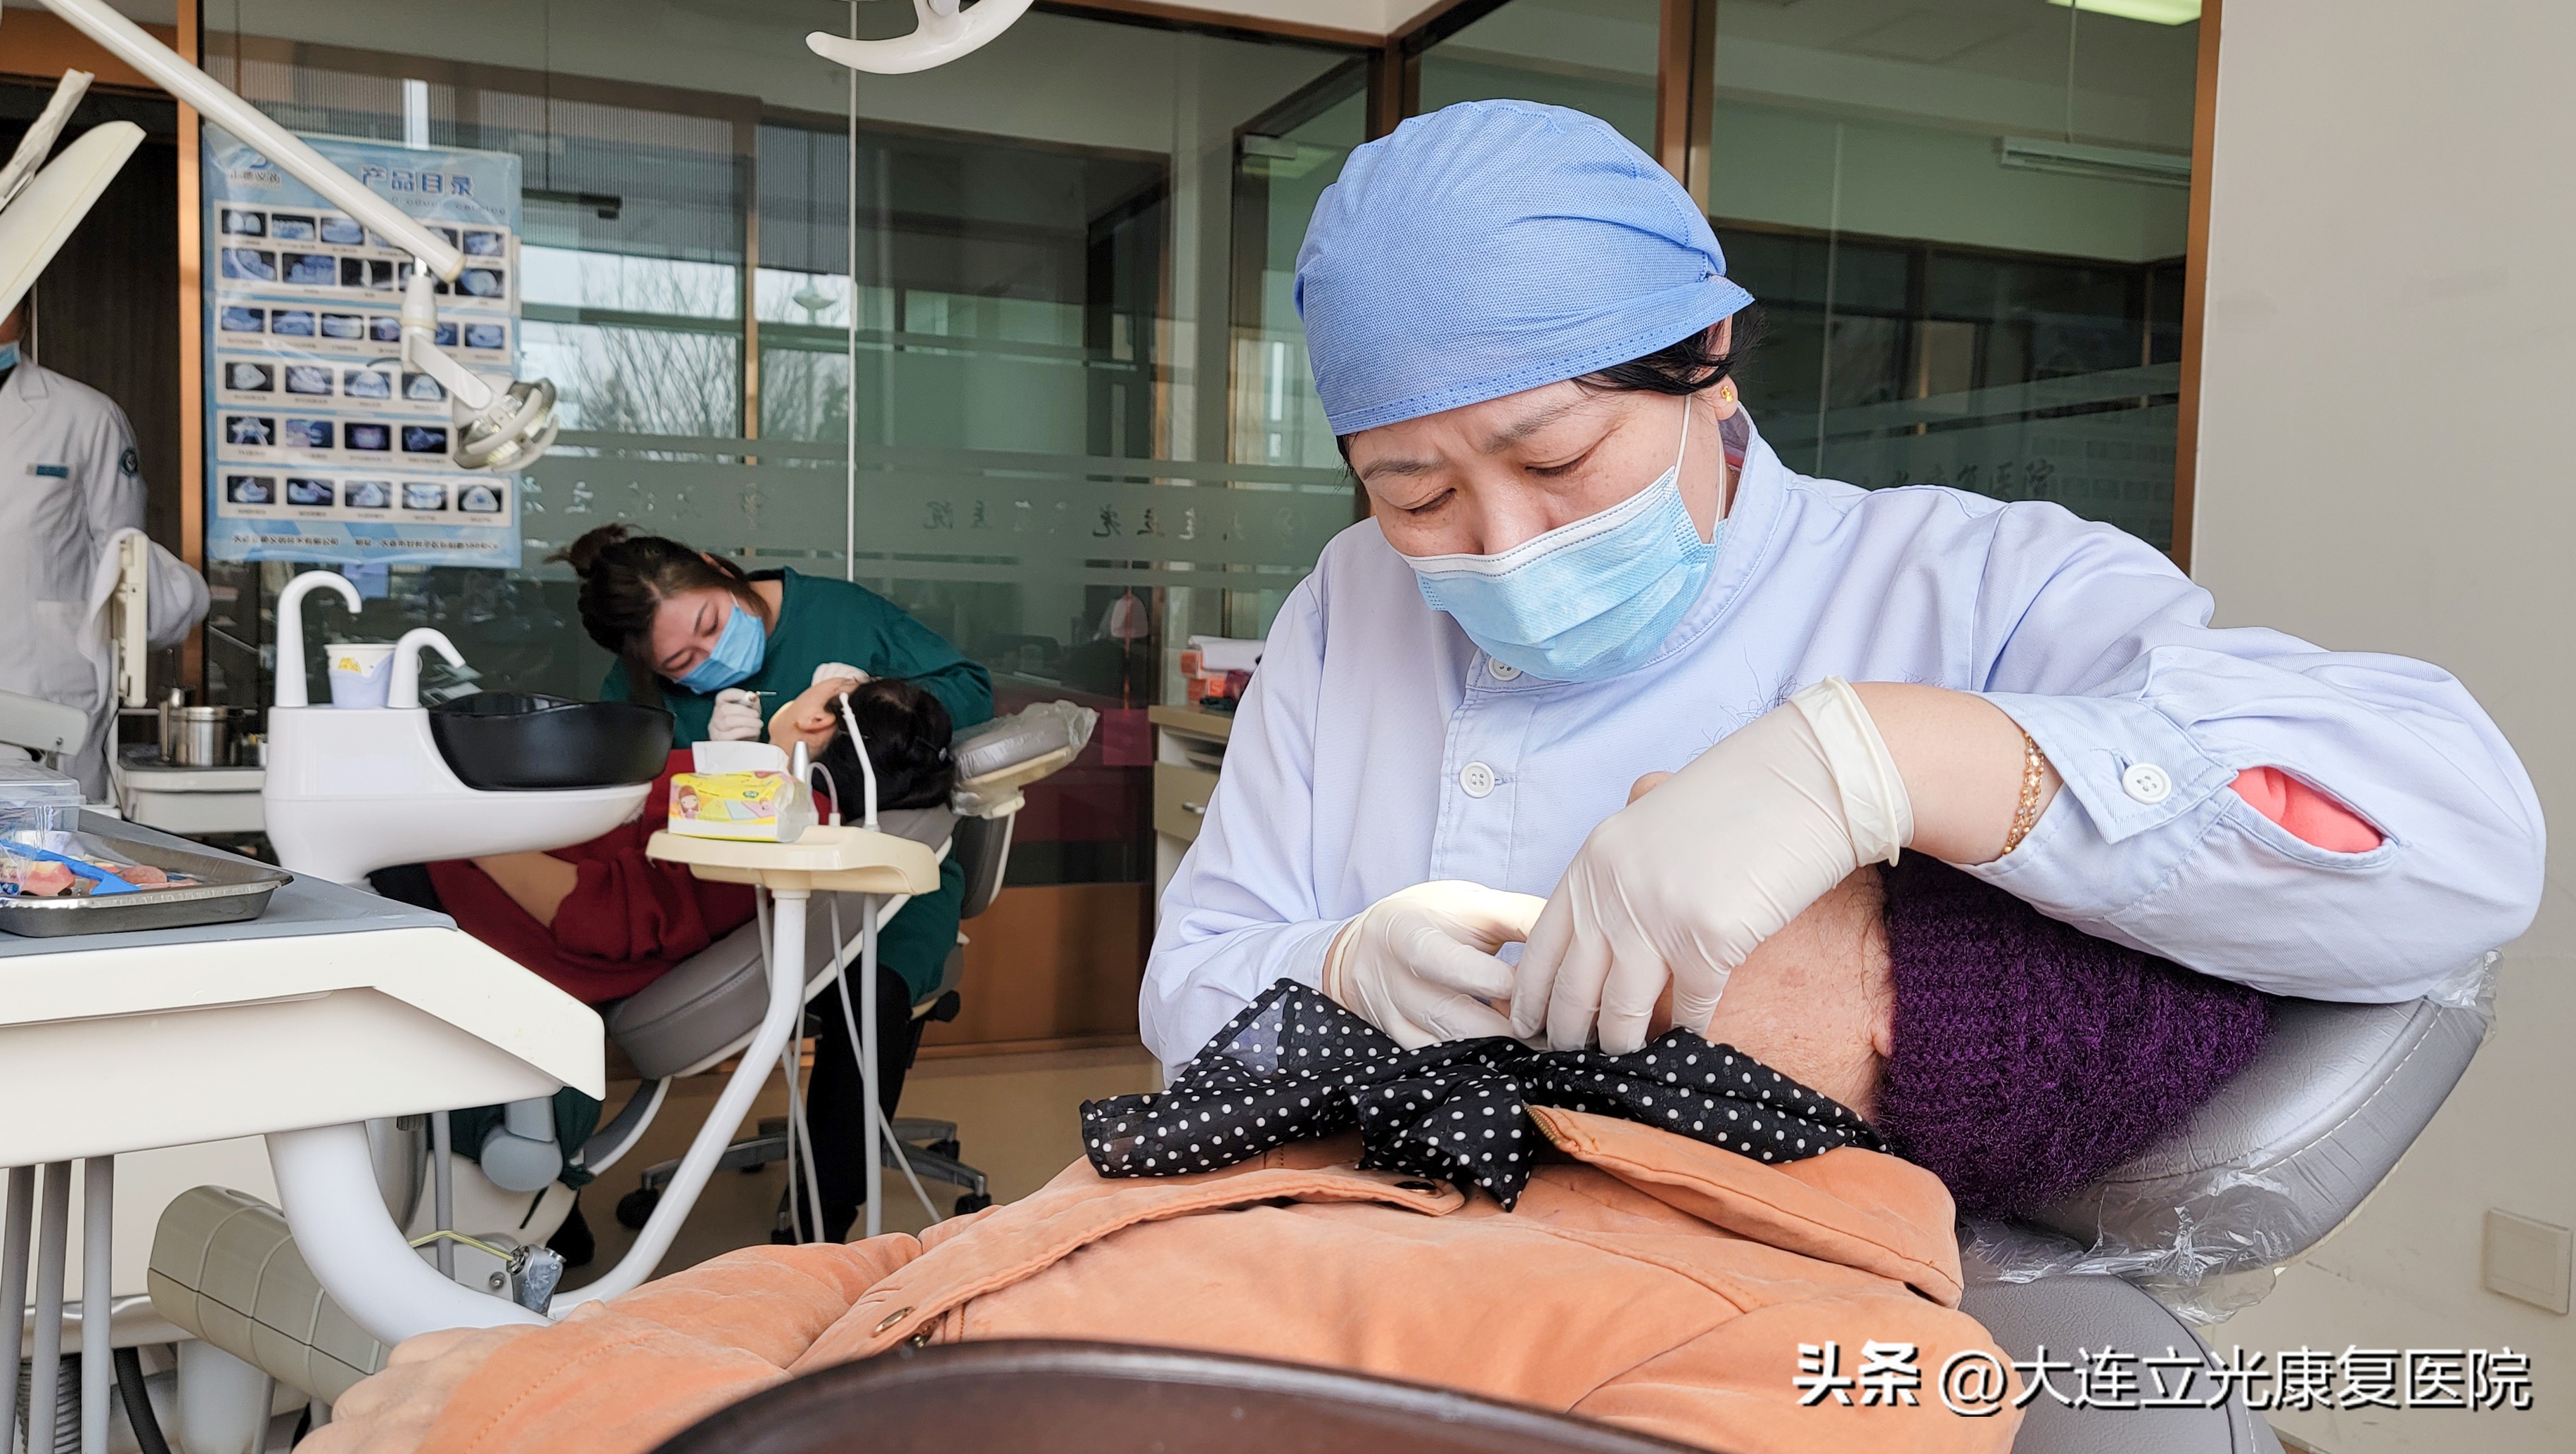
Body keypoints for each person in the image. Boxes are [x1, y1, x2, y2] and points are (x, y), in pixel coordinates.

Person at [1146, 100, 2544, 1071]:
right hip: (1380, 1269)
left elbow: (2455, 849)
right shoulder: (1351, 602)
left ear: (1707, 361)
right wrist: (1339, 970)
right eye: (1416, 494)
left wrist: (1885, 759)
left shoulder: (1966, 584)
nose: (1502, 542)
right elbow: (1189, 976)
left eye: (1556, 457)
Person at [302, 834, 2277, 1454]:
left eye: (1746, 885)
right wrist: (536, 1375)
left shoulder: (1862, 1360)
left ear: (1902, 1030)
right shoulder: (1423, 1119)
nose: (1624, 865)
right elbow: (893, 1276)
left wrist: (551, 1412)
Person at [551, 525, 992, 1239]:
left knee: (870, 991)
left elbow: (971, 689)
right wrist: (712, 761)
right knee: (571, 960)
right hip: (720, 888)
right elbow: (622, 792)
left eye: (711, 623)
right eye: (682, 662)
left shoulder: (838, 615)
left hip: (875, 873)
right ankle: (549, 1194)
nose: (709, 657)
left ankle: (820, 1223)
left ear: (716, 569)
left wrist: (869, 701)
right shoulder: (638, 691)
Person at [0, 304, 207, 797]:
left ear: (26, 311)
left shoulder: (86, 416)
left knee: (48, 835)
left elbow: (124, 556)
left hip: (42, 690)